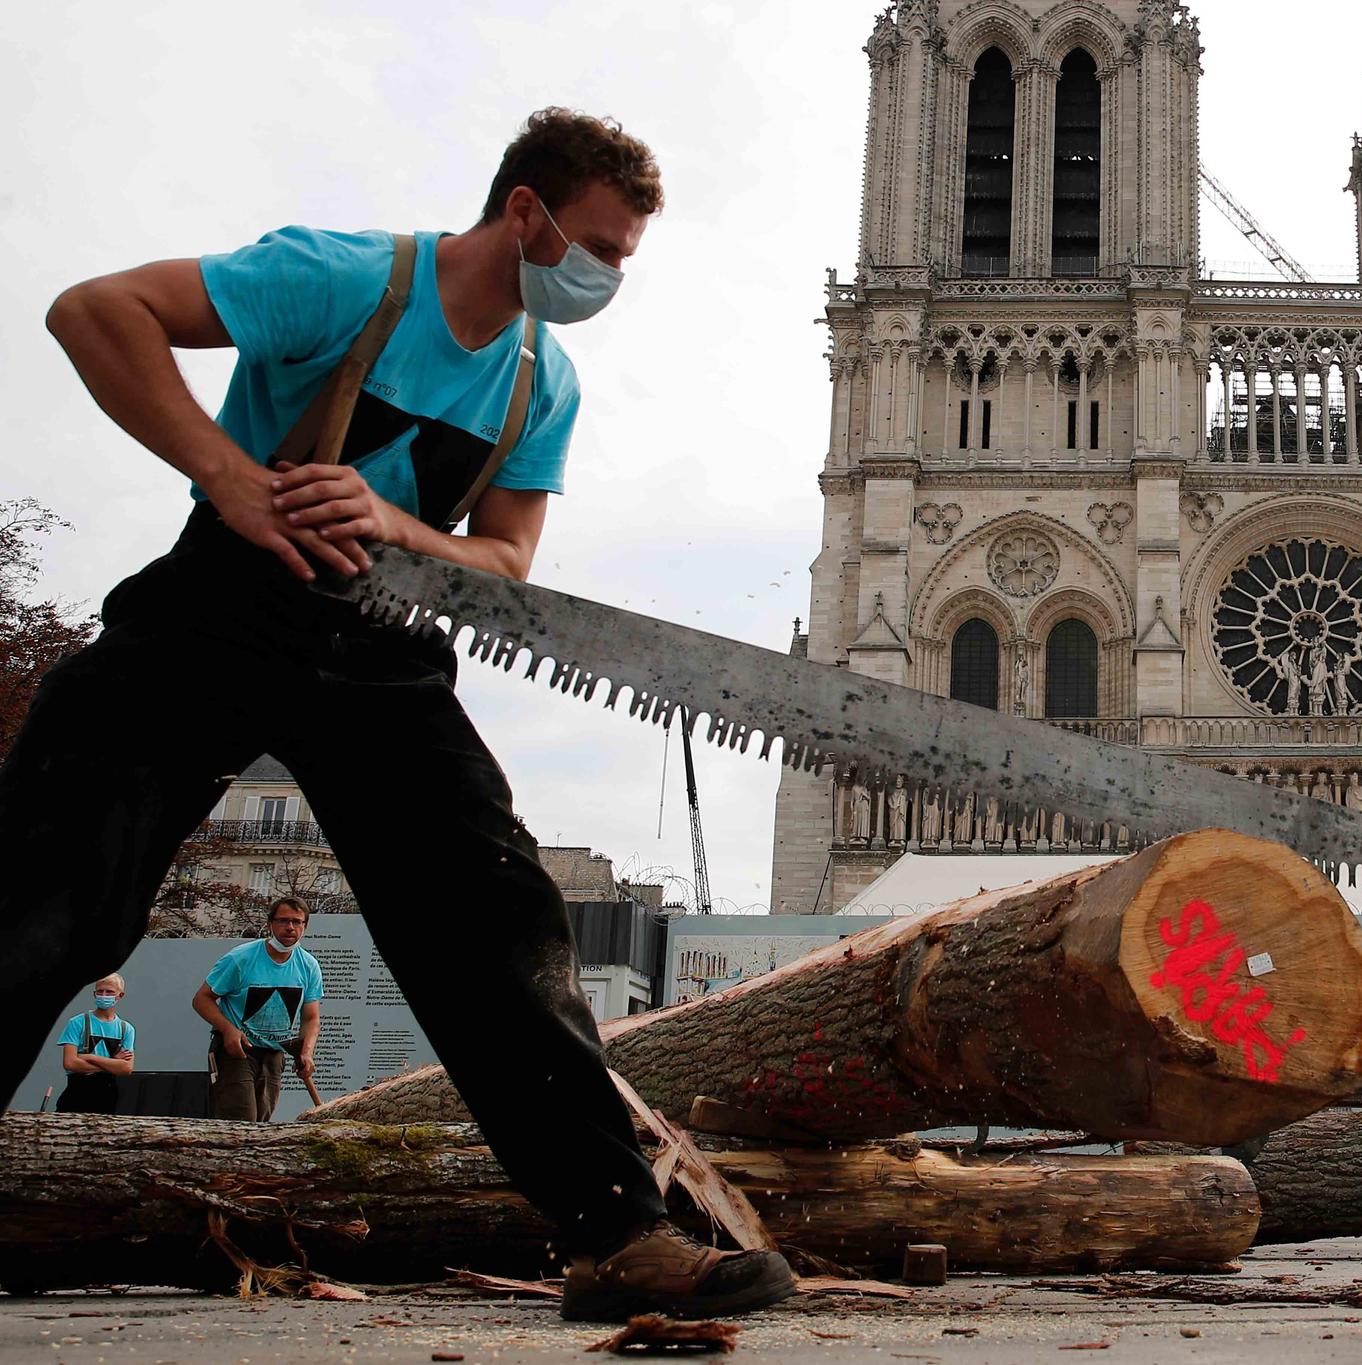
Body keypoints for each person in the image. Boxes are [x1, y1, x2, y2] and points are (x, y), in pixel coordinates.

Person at [4, 108, 793, 1321]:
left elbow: (507, 561)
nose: (606, 279)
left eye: (624, 259)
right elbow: (94, 310)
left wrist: (392, 528)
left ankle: (617, 1234)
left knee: (498, 925)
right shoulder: (342, 277)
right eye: (598, 248)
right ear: (523, 212)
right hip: (222, 603)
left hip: (382, 648)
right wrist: (229, 475)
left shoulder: (543, 376)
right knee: (54, 898)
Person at [194, 896, 323, 1121]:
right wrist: (228, 1030)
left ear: (305, 926)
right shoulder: (240, 958)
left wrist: (306, 1052)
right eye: (283, 920)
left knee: (262, 1120)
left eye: (296, 921)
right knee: (241, 1119)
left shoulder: (309, 966)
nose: (290, 927)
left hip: (274, 1054)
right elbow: (202, 999)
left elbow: (311, 1017)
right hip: (238, 1051)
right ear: (270, 924)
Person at [55, 973, 135, 1114]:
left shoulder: (126, 1029)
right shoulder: (77, 1023)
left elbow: (126, 1068)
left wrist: (90, 1057)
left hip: (108, 1096)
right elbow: (70, 1063)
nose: (104, 995)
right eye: (100, 991)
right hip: (76, 1093)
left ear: (120, 996)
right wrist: (112, 1064)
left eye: (109, 992)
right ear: (94, 994)